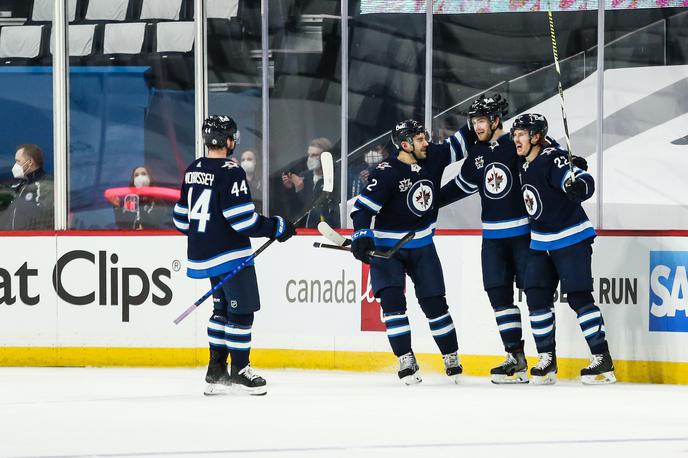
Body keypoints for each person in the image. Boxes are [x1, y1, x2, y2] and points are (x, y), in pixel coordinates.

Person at [173, 115, 297, 396]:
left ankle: (216, 371)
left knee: (221, 310)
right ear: (228, 140)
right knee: (242, 311)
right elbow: (242, 220)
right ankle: (240, 370)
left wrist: (206, 234)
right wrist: (276, 226)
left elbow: (181, 220)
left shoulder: (193, 169)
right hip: (230, 255)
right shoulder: (231, 170)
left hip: (202, 254)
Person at [350, 120, 466, 385]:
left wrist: (480, 115)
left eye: (426, 138)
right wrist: (361, 236)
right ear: (405, 144)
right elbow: (363, 209)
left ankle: (450, 355)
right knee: (392, 304)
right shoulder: (386, 172)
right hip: (388, 249)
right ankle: (405, 358)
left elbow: (465, 140)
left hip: (422, 246)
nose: (427, 143)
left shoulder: (433, 157)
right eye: (421, 139)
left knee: (435, 304)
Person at [512, 113, 616, 385]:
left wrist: (579, 185)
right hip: (541, 241)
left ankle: (602, 359)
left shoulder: (551, 158)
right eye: (515, 134)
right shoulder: (526, 163)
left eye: (522, 134)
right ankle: (547, 360)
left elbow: (580, 177)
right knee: (535, 297)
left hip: (570, 238)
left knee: (579, 297)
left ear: (536, 136)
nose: (516, 139)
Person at [437, 94, 534, 384]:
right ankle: (515, 357)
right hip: (492, 238)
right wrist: (429, 202)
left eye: (481, 120)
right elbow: (460, 186)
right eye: (473, 121)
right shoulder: (477, 153)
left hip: (524, 235)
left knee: (537, 295)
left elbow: (544, 159)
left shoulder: (515, 144)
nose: (476, 126)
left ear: (495, 120)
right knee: (498, 296)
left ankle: (547, 359)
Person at [281, 137, 338, 228]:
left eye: (314, 155)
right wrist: (291, 188)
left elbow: (317, 206)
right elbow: (295, 212)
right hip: (304, 230)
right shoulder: (304, 176)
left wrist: (300, 188)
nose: (310, 158)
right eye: (309, 155)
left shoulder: (335, 177)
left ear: (326, 157)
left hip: (327, 229)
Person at [0, 144, 54, 230]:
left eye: (18, 161)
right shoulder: (22, 185)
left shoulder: (46, 186)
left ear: (29, 163)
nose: (15, 165)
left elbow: (45, 218)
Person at [110, 166, 173, 230]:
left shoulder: (158, 201)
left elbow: (153, 223)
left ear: (150, 178)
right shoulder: (129, 201)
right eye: (136, 175)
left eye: (143, 174)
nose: (140, 177)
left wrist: (143, 197)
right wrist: (117, 207)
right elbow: (122, 225)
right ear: (133, 180)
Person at [239, 149, 262, 214]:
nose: (245, 162)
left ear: (255, 162)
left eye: (249, 159)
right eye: (243, 160)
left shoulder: (263, 183)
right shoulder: (237, 183)